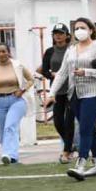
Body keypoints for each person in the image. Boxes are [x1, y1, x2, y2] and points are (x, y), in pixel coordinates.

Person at [48, 18, 96, 180]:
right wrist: (52, 93)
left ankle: (81, 163)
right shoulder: (71, 49)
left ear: (91, 30)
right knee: (89, 128)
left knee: (84, 127)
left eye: (82, 27)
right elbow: (63, 72)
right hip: (75, 93)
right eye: (76, 28)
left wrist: (87, 72)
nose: (79, 31)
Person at [37, 23, 75, 163]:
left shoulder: (72, 50)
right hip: (57, 91)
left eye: (60, 33)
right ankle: (70, 145)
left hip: (71, 90)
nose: (58, 36)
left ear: (66, 35)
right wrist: (52, 74)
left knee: (69, 120)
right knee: (58, 121)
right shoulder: (49, 52)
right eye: (55, 33)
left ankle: (67, 150)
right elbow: (44, 70)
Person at [0, 43, 35, 165]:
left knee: (10, 126)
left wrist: (22, 90)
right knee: (2, 131)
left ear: (8, 52)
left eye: (3, 51)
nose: (1, 54)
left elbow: (31, 79)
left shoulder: (18, 65)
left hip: (16, 100)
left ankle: (8, 154)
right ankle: (12, 156)